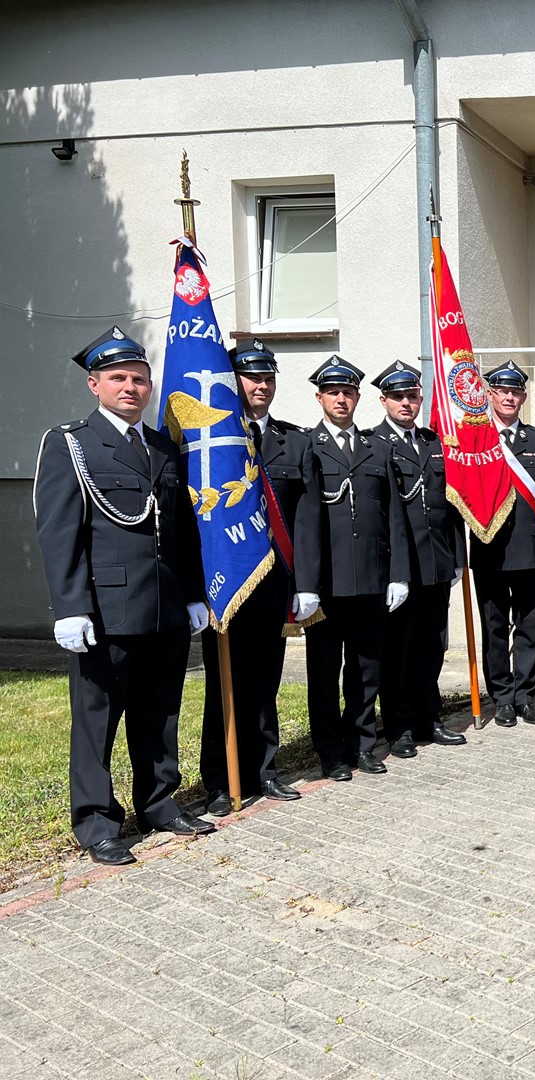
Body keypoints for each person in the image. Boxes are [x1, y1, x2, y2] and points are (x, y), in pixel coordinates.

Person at [34, 326, 211, 865]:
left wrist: (193, 595)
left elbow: (178, 531)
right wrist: (69, 608)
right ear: (95, 384)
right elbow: (59, 532)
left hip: (163, 607)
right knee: (97, 720)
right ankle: (96, 822)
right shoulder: (71, 443)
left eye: (139, 379)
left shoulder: (160, 446)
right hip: (105, 611)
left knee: (160, 713)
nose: (130, 387)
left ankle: (158, 803)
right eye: (118, 379)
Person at [200, 340, 321, 815]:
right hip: (226, 583)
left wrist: (306, 583)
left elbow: (307, 520)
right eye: (252, 377)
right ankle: (219, 777)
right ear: (235, 382)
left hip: (275, 584)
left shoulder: (295, 440)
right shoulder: (215, 440)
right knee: (223, 684)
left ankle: (264, 769)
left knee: (265, 680)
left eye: (268, 377)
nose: (261, 385)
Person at [305, 357, 410, 781]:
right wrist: (306, 584)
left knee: (367, 668)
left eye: (348, 392)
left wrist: (398, 574)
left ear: (358, 397)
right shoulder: (306, 447)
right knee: (325, 672)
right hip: (327, 584)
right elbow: (305, 521)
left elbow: (395, 518)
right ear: (320, 398)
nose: (341, 399)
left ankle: (363, 743)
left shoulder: (377, 449)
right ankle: (331, 752)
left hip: (371, 577)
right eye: (333, 393)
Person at [371, 361, 467, 758]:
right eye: (397, 397)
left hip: (437, 561)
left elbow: (453, 505)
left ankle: (429, 717)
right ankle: (399, 725)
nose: (406, 403)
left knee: (433, 645)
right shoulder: (373, 444)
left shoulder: (434, 442)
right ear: (383, 401)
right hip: (401, 565)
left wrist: (459, 558)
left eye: (411, 396)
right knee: (400, 648)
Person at [471, 364, 535, 728]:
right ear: (490, 395)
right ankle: (501, 697)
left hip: (531, 548)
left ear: (523, 397)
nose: (508, 398)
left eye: (515, 392)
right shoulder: (474, 442)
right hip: (489, 548)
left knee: (530, 627)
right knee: (495, 627)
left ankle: (525, 695)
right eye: (501, 391)